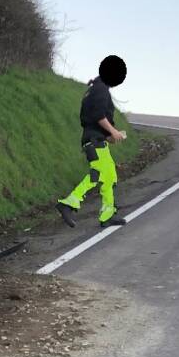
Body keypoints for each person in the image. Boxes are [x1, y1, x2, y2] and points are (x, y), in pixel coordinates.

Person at [56, 55, 128, 228]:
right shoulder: (100, 89)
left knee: (109, 176)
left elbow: (96, 120)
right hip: (94, 141)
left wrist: (112, 136)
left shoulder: (95, 88)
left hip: (97, 140)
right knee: (97, 174)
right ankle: (68, 203)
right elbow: (98, 116)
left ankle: (107, 215)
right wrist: (113, 131)